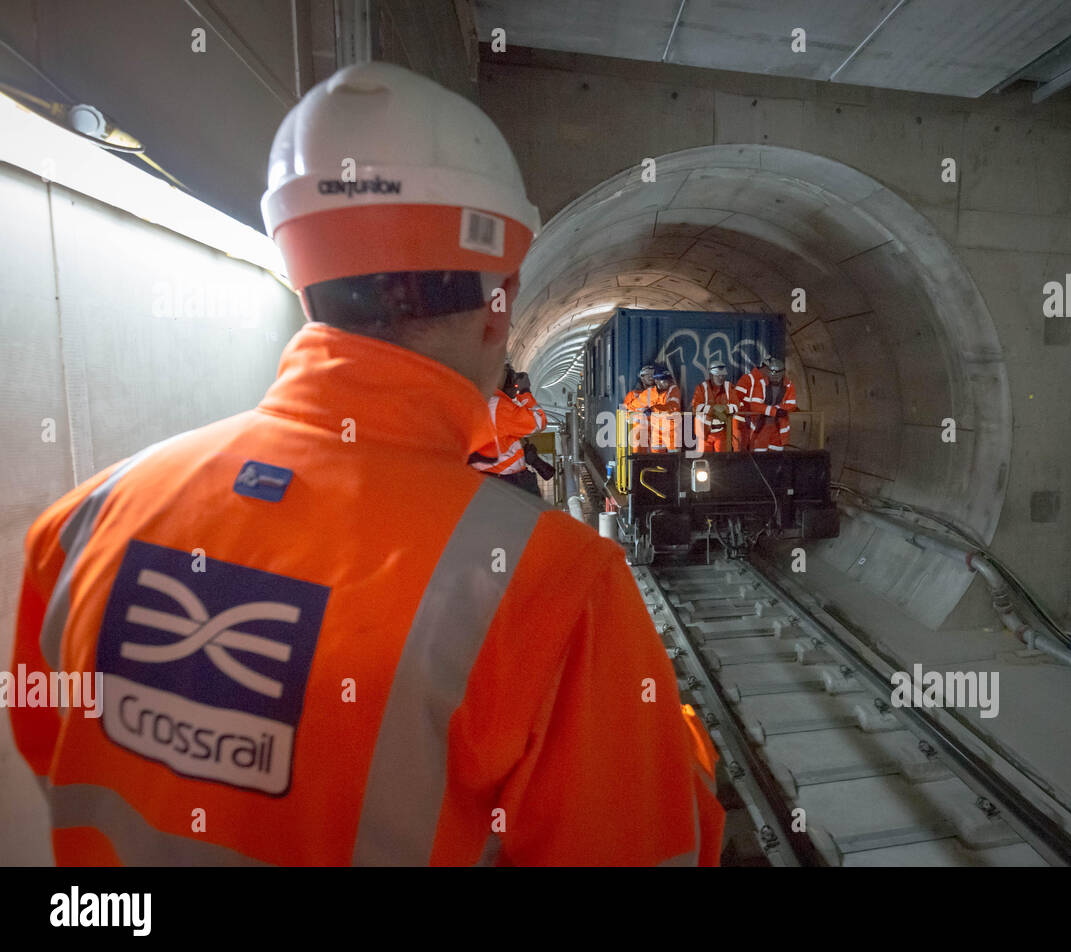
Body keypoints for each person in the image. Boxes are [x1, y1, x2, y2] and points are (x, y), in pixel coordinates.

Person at [10, 62, 723, 867]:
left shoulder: (82, 523)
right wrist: (676, 745)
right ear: (501, 305)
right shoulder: (555, 588)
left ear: (301, 281)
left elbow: (56, 756)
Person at [470, 362, 548, 496]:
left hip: (483, 480)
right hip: (508, 480)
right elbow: (539, 421)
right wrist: (524, 392)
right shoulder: (498, 406)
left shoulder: (478, 401)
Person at [735, 356, 798, 452]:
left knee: (775, 457)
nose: (774, 375)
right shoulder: (756, 382)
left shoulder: (788, 385)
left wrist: (775, 410)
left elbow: (791, 404)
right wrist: (775, 411)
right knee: (747, 452)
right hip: (749, 423)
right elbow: (754, 405)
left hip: (777, 427)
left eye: (777, 372)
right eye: (771, 371)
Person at [691, 361, 739, 453]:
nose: (721, 378)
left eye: (723, 375)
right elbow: (696, 406)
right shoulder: (701, 388)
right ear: (711, 375)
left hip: (721, 431)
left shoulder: (729, 387)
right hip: (704, 431)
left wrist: (724, 409)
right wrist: (714, 409)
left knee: (722, 459)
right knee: (704, 459)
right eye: (717, 375)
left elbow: (736, 406)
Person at [647, 365, 682, 454]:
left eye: (668, 379)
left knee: (675, 460)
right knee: (656, 461)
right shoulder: (652, 392)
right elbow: (637, 403)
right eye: (664, 379)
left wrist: (653, 408)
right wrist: (626, 410)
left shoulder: (674, 390)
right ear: (656, 380)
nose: (667, 382)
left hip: (672, 431)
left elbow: (672, 406)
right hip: (657, 431)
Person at [623, 363, 655, 454]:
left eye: (652, 374)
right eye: (647, 374)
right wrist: (642, 414)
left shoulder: (660, 394)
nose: (650, 377)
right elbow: (627, 416)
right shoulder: (633, 395)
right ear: (641, 377)